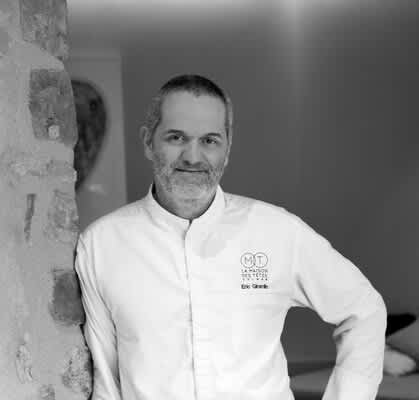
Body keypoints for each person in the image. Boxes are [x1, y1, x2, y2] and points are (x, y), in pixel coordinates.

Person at [75, 74, 387, 400]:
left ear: (227, 149)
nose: (192, 157)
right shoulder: (101, 245)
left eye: (209, 140)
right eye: (176, 137)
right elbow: (106, 382)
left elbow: (364, 310)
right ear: (147, 142)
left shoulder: (278, 231)